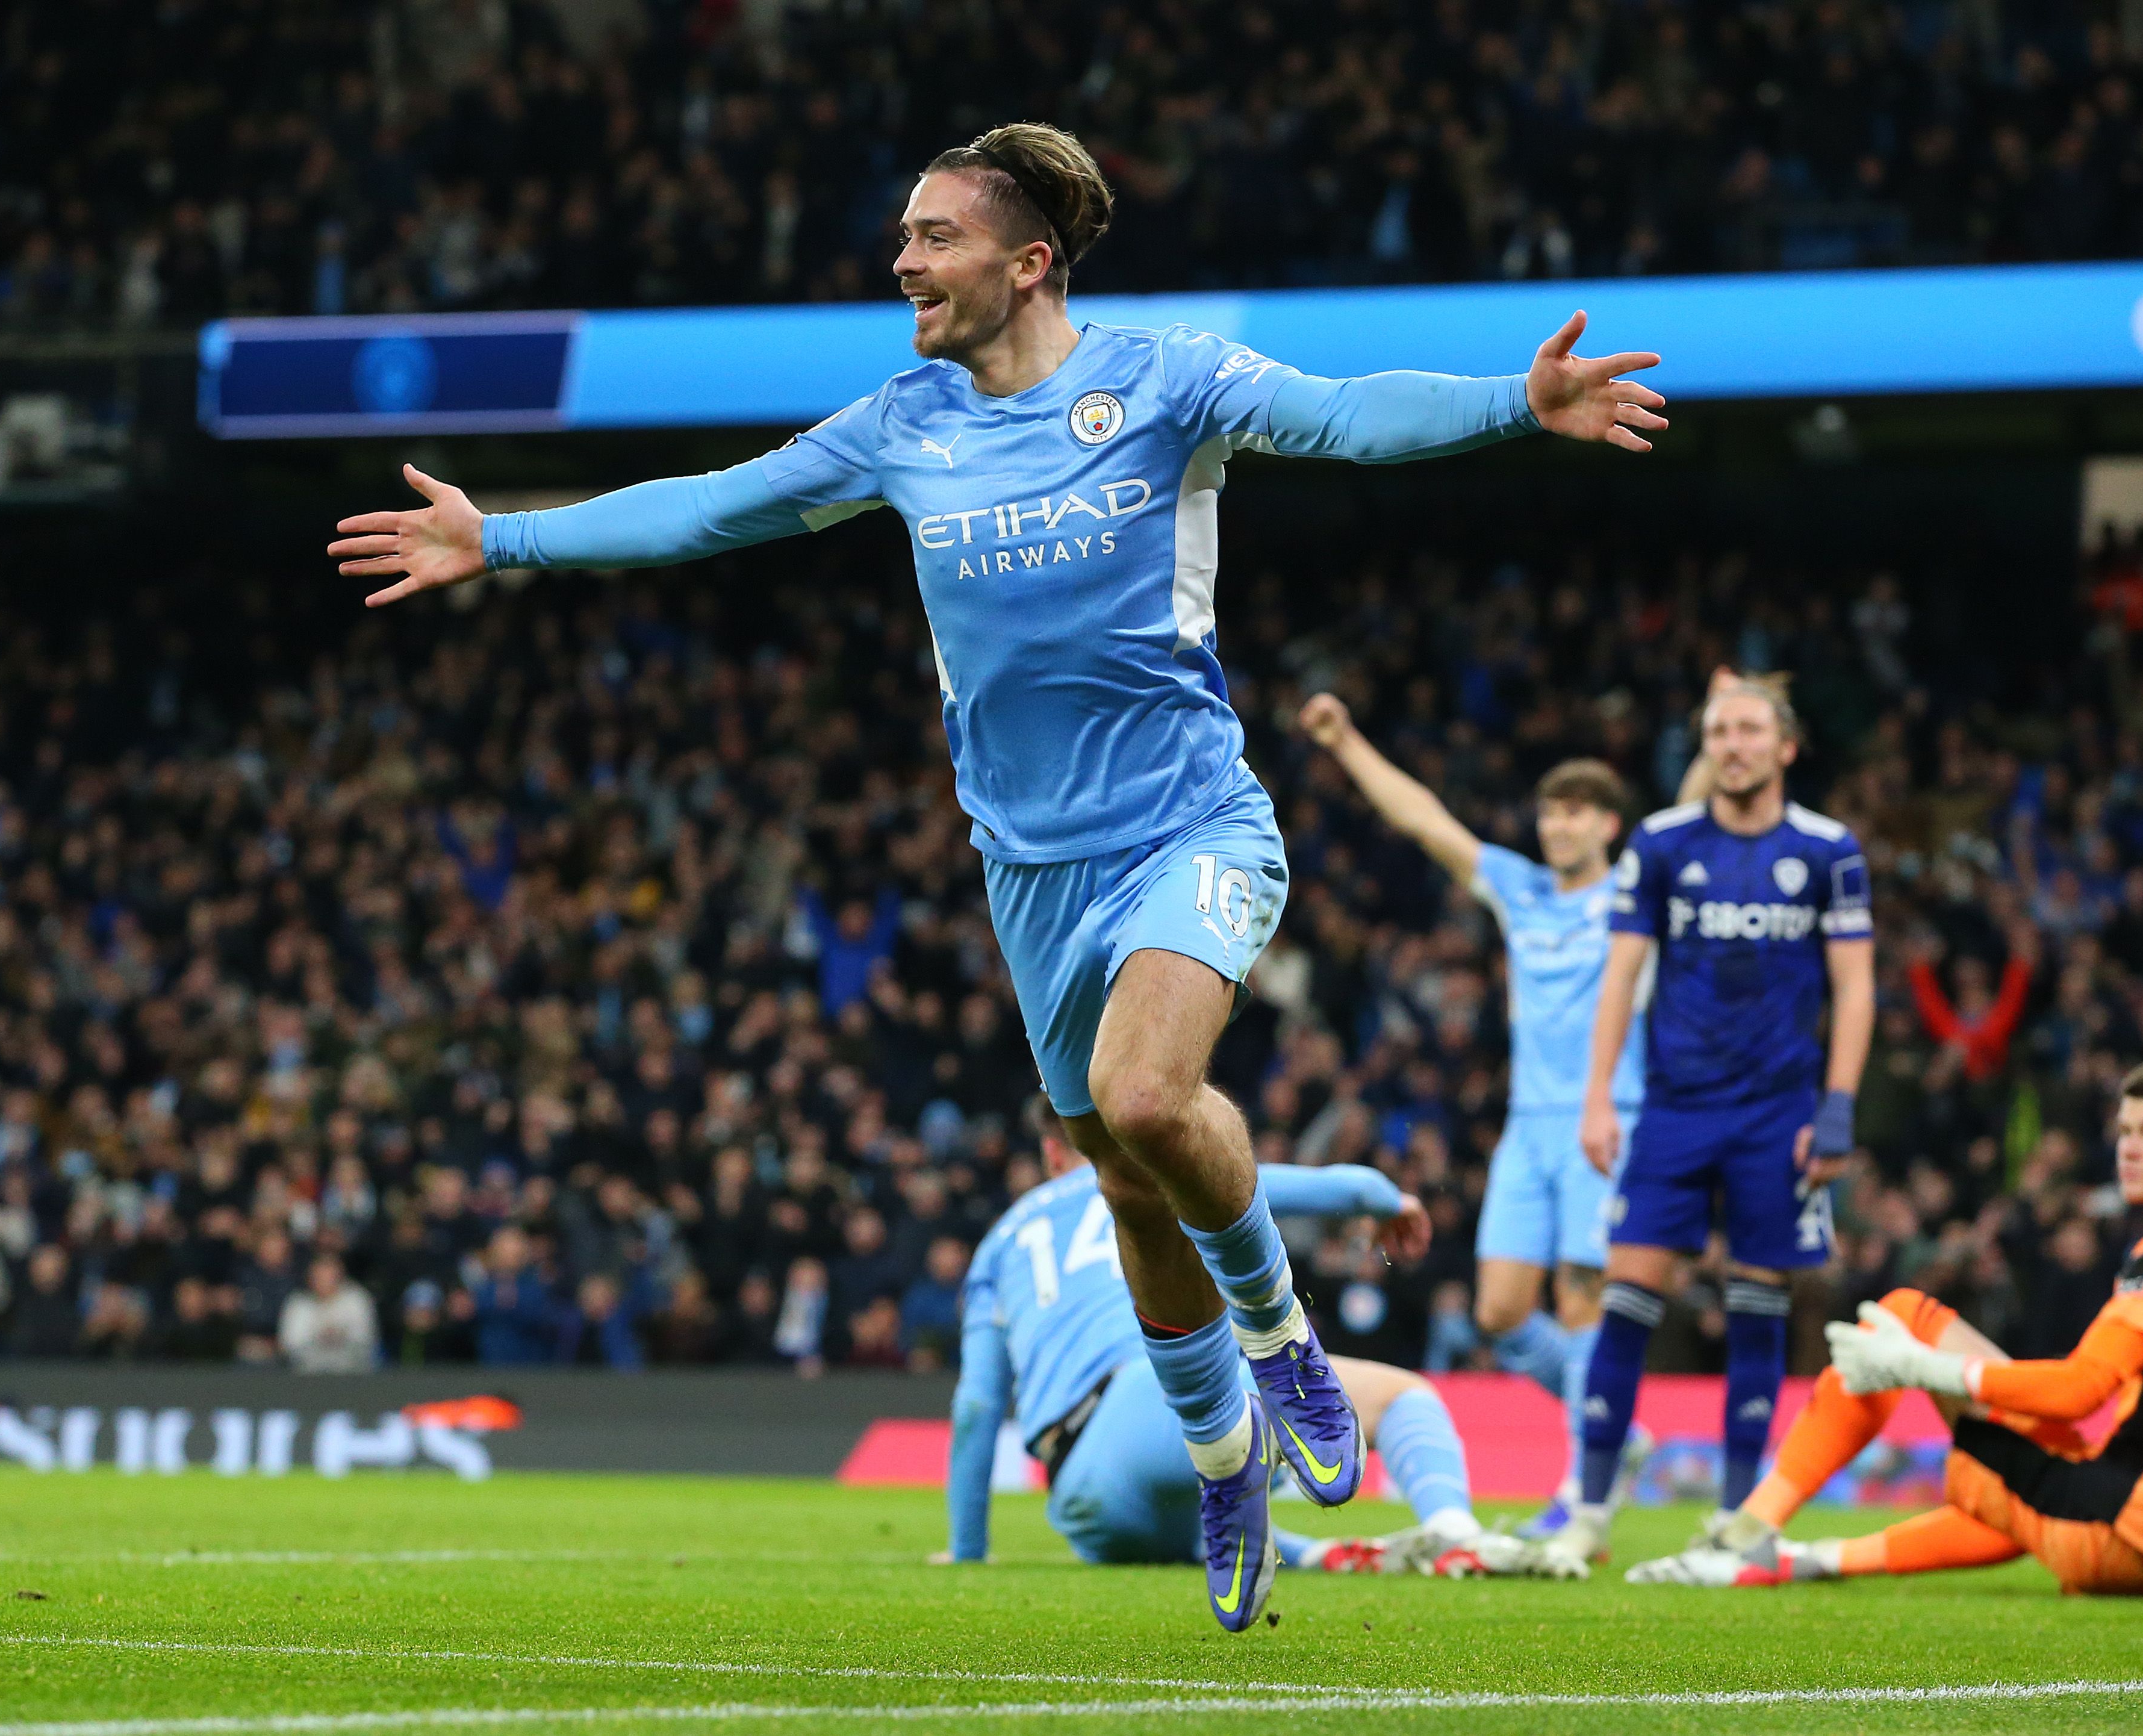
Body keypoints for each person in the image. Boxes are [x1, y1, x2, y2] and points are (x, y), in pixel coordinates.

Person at [329, 120, 1664, 1631]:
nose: (903, 260)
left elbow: (1348, 412)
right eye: (903, 236)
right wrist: (498, 538)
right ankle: (1224, 1456)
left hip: (1190, 826)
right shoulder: (902, 423)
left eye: (933, 236)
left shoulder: (1164, 384)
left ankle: (1278, 1339)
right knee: (1119, 1170)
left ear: (1026, 260)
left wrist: (1514, 398)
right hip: (1028, 875)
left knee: (1153, 1097)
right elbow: (712, 505)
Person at [1631, 1053, 2143, 1608]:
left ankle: (1743, 1533)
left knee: (1904, 1313)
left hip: (2121, 1528)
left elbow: (2082, 1389)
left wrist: (1917, 1365)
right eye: (2125, 1129)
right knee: (2020, 1490)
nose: (2130, 1147)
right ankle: (1794, 1560)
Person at [941, 1102, 1563, 1601]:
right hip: (1147, 1403)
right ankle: (1456, 1532)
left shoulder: (998, 1243)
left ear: (1053, 1151)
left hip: (1082, 1501)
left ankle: (1318, 1553)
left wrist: (968, 1551)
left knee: (1205, 1520)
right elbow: (1336, 1189)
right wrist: (1389, 1201)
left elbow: (977, 1406)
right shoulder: (1155, 1172)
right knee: (1405, 1396)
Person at [1296, 692, 1653, 1535]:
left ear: (1608, 823)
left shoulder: (1641, 891)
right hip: (1529, 1126)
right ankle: (1619, 1426)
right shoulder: (1523, 889)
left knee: (1582, 1304)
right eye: (1549, 812)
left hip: (1608, 1116)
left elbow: (1695, 805)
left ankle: (1582, 1492)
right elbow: (1427, 821)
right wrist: (1347, 741)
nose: (1555, 827)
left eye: (1573, 813)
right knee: (1497, 1310)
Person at [1550, 674, 1876, 1567]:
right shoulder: (1660, 842)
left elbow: (1854, 984)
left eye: (1748, 729)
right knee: (1625, 1300)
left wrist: (1837, 1107)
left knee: (1759, 1304)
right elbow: (1620, 975)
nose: (1732, 743)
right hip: (1674, 1110)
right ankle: (1587, 1511)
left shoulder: (1828, 849)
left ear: (1785, 747)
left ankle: (1741, 1517)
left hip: (1779, 1113)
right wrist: (1596, 1097)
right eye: (1718, 730)